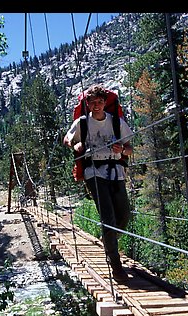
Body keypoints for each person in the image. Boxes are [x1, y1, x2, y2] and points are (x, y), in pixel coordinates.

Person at [63, 84, 134, 282]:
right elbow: (66, 139)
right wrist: (74, 144)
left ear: (105, 102)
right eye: (92, 102)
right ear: (87, 104)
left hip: (116, 171)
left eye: (100, 102)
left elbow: (129, 148)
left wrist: (123, 150)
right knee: (108, 218)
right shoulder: (82, 123)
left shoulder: (117, 122)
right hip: (93, 172)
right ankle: (115, 264)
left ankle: (108, 240)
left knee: (124, 216)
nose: (96, 105)